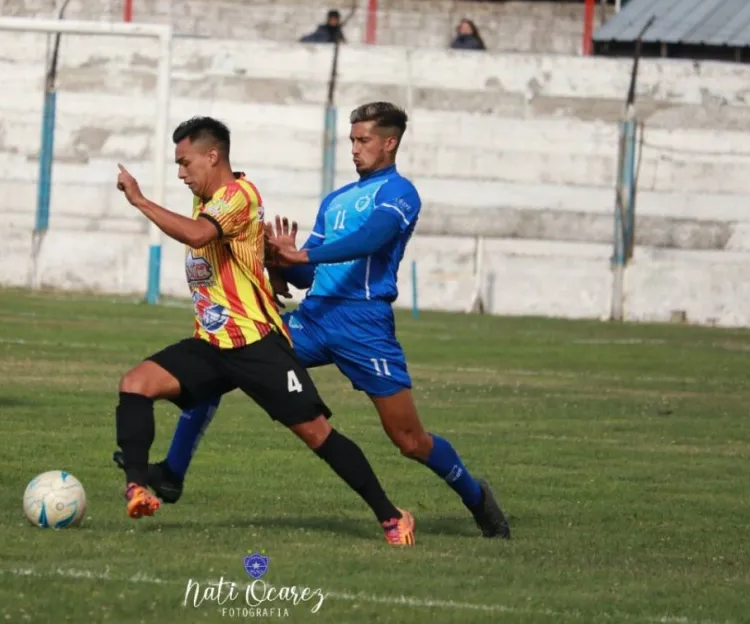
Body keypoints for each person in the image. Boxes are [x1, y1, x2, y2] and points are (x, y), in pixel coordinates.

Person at [116, 102, 511, 539]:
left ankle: (476, 497)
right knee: (226, 355)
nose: (355, 150)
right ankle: (173, 470)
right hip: (315, 317)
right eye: (352, 141)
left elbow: (370, 240)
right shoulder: (336, 200)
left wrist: (304, 253)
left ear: (390, 142)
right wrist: (282, 263)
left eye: (364, 141)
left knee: (409, 440)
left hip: (365, 326)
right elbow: (309, 276)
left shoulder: (400, 194)